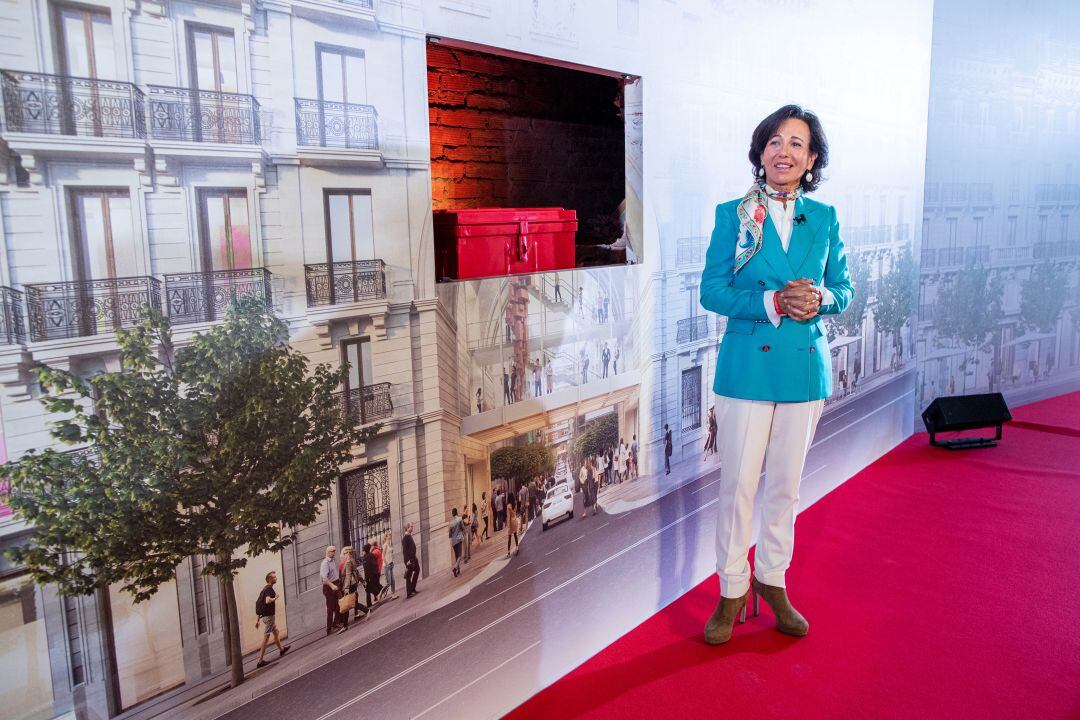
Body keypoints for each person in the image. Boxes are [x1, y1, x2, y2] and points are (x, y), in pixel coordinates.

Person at [700, 105, 852, 646]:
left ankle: (771, 580)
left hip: (803, 369)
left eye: (796, 144)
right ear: (761, 153)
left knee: (784, 488)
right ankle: (731, 588)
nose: (783, 152)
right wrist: (769, 300)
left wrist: (821, 298)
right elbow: (711, 292)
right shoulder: (732, 214)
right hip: (746, 369)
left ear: (811, 159)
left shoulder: (826, 218)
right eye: (774, 142)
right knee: (738, 485)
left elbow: (845, 288)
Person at [254, 571, 290, 667]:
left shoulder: (265, 589)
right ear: (270, 579)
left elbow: (260, 603)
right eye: (274, 577)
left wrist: (258, 620)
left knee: (276, 632)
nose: (276, 578)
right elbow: (267, 601)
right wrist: (276, 598)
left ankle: (282, 650)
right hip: (269, 617)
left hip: (267, 617)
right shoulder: (269, 589)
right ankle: (260, 661)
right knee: (266, 638)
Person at [320, 546, 347, 635]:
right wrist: (332, 586)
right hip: (329, 587)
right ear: (328, 552)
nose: (334, 553)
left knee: (340, 603)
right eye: (332, 551)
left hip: (336, 584)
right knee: (330, 608)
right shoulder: (325, 563)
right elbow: (324, 578)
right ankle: (329, 629)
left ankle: (336, 623)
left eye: (335, 551)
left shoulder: (332, 561)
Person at [340, 547, 369, 622]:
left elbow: (348, 575)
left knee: (348, 603)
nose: (343, 555)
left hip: (350, 585)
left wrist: (346, 587)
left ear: (348, 553)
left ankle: (366, 610)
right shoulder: (352, 560)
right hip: (353, 584)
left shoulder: (348, 562)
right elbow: (357, 572)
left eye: (344, 553)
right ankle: (345, 625)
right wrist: (362, 581)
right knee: (351, 602)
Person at [362, 543, 383, 610]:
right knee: (369, 589)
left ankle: (379, 591)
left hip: (370, 576)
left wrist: (366, 578)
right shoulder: (372, 555)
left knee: (370, 588)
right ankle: (369, 603)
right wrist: (377, 572)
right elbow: (376, 564)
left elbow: (366, 569)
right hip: (375, 573)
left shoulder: (365, 557)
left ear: (365, 550)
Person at [402, 523, 420, 598]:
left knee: (417, 570)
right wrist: (407, 561)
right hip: (409, 559)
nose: (412, 528)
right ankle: (409, 593)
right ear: (407, 528)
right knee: (409, 576)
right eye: (411, 527)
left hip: (413, 558)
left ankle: (412, 588)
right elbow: (405, 551)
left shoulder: (409, 536)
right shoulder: (405, 538)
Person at [381, 530, 399, 600]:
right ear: (386, 537)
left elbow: (390, 554)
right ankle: (380, 593)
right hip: (387, 565)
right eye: (389, 535)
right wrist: (387, 564)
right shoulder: (385, 545)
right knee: (388, 582)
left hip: (391, 564)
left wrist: (392, 562)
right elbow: (383, 556)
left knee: (393, 580)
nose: (390, 536)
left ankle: (393, 594)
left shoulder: (390, 544)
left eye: (391, 534)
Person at [448, 508, 465, 577]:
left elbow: (449, 535)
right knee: (460, 555)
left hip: (453, 541)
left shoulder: (450, 523)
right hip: (459, 539)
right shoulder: (460, 519)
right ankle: (455, 568)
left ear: (452, 514)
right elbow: (463, 528)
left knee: (456, 556)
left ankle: (458, 570)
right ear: (457, 512)